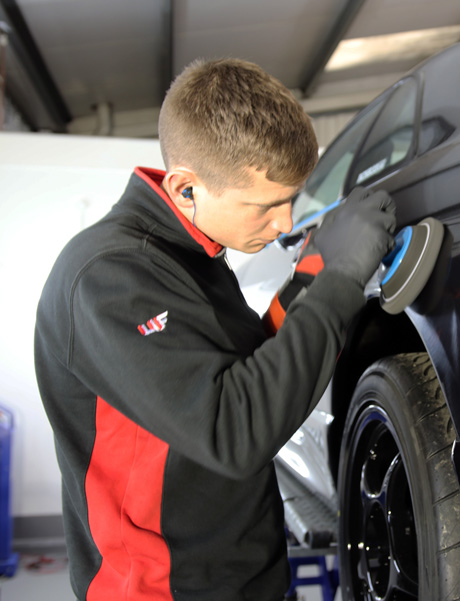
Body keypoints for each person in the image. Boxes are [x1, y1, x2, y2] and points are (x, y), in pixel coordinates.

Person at [33, 58, 396, 601]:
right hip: (162, 591)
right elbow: (234, 428)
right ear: (186, 189)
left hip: (246, 576)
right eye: (266, 206)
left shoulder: (193, 256)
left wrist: (311, 277)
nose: (284, 224)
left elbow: (248, 367)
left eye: (290, 201)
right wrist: (341, 282)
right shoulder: (109, 278)